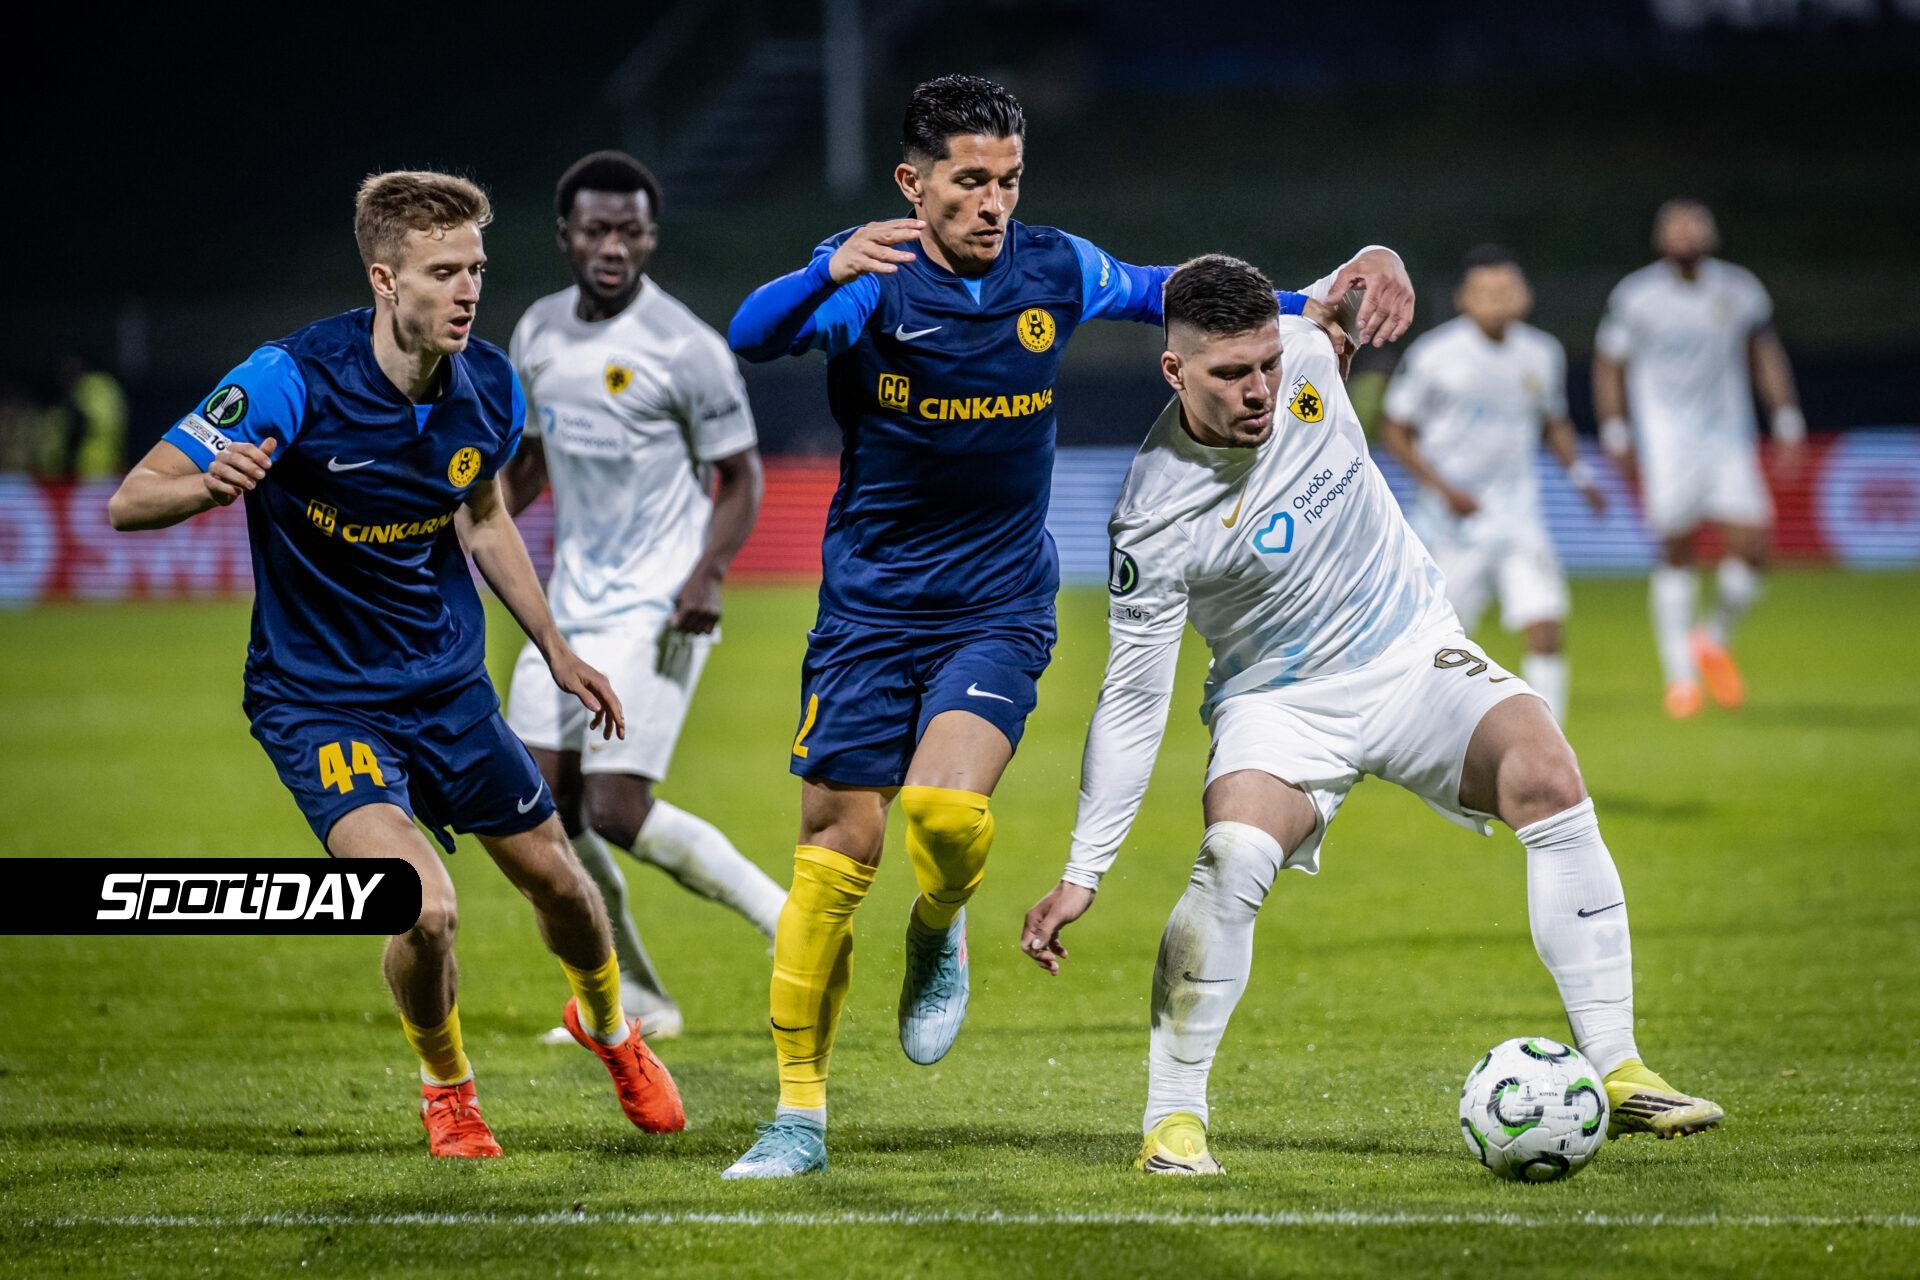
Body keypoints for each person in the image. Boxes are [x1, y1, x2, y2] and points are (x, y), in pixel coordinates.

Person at [719, 73, 1415, 1179]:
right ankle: (797, 1116)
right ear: (912, 183)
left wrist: (1324, 287)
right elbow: (753, 336)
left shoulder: (1053, 268)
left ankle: (938, 924)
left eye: (1008, 179)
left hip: (996, 602)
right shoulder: (871, 279)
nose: (993, 202)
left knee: (945, 814)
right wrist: (823, 270)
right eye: (968, 180)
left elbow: (1171, 292)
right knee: (833, 857)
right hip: (868, 611)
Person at [1019, 255, 1721, 1176]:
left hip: (1409, 653)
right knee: (1233, 855)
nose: (1260, 389)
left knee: (1546, 774)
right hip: (1279, 701)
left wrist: (1383, 259)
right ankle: (1174, 1120)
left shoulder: (1309, 352)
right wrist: (1084, 869)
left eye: (1267, 363)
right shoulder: (1152, 517)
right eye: (1230, 374)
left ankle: (1619, 1068)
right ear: (1174, 371)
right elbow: (1134, 697)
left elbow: (1347, 295)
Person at [106, 169, 684, 1158]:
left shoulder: (490, 383)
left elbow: (485, 517)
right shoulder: (289, 378)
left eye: (476, 269)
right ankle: (449, 1089)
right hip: (320, 699)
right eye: (443, 272)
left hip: (446, 686)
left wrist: (555, 646)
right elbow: (131, 498)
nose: (468, 291)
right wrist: (208, 482)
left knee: (563, 885)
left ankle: (611, 1028)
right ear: (385, 279)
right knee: (423, 909)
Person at [502, 150, 787, 1044]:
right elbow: (532, 461)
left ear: (651, 237)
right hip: (568, 607)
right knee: (538, 812)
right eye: (597, 230)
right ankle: (639, 1001)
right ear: (566, 235)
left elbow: (741, 476)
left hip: (661, 605)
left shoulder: (686, 347)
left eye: (630, 231)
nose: (614, 247)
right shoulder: (538, 331)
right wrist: (471, 524)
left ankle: (791, 923)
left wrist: (709, 572)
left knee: (615, 808)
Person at [1592, 199, 1806, 718]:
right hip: (1667, 440)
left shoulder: (1739, 289)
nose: (1685, 235)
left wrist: (1786, 417)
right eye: (1675, 227)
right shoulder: (1637, 295)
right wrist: (1616, 430)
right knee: (1676, 548)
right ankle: (1681, 679)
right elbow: (1609, 364)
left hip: (1728, 436)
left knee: (1755, 544)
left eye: (1694, 226)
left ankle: (1711, 638)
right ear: (1659, 238)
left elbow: (1764, 353)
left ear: (1711, 235)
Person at [1379, 245, 1604, 723]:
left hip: (1519, 516)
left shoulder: (1542, 353)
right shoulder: (1435, 354)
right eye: (1486, 291)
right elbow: (1394, 429)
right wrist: (1443, 490)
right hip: (1451, 524)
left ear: (1525, 295)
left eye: (1507, 290)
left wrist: (1580, 475)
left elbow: (1554, 422)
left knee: (1546, 623)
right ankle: (1424, 726)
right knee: (1441, 640)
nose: (1498, 300)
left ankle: (1549, 735)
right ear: (1464, 298)